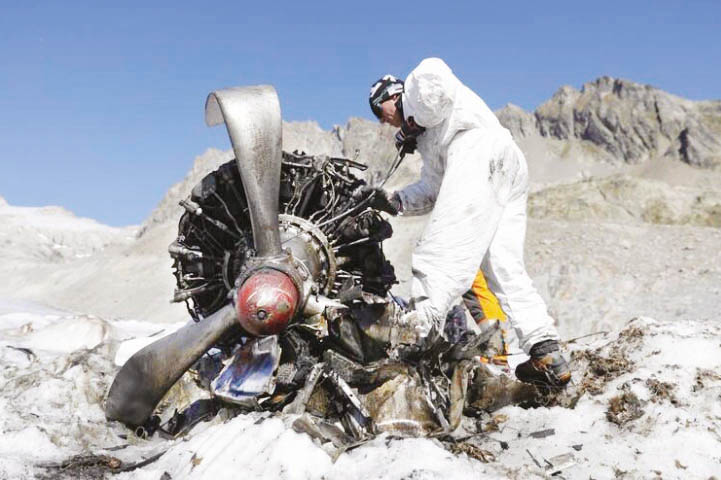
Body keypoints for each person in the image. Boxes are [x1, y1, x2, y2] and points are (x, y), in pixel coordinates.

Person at [366, 59, 571, 387]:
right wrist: (394, 201)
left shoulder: (419, 86)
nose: (385, 122)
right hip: (506, 167)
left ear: (389, 97)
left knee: (438, 252)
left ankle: (415, 343)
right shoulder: (429, 142)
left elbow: (436, 76)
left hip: (481, 150)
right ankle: (546, 351)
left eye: (381, 113)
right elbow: (434, 188)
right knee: (503, 267)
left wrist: (413, 118)